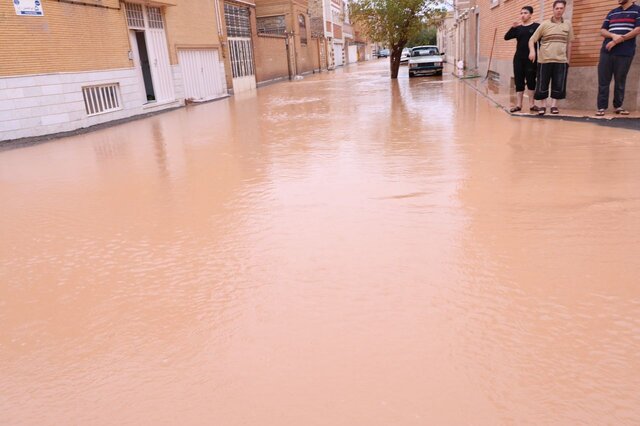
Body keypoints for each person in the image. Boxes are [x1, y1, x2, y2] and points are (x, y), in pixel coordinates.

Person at [528, 0, 573, 115]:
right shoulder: (544, 24)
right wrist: (532, 51)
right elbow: (532, 39)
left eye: (561, 8)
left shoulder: (567, 24)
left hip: (561, 60)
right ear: (553, 9)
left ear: (564, 9)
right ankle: (543, 106)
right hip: (545, 60)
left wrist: (568, 60)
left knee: (558, 84)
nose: (559, 10)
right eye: (557, 8)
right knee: (542, 84)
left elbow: (569, 43)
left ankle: (554, 106)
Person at [596, 0, 640, 116]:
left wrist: (619, 39)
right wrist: (613, 35)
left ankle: (618, 106)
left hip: (625, 52)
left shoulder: (638, 10)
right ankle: (601, 107)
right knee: (603, 80)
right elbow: (602, 30)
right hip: (607, 51)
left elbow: (637, 29)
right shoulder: (612, 12)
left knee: (620, 80)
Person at [504, 6, 540, 113]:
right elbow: (506, 37)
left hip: (531, 59)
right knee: (519, 81)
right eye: (521, 13)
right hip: (518, 59)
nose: (522, 15)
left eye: (525, 13)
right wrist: (512, 27)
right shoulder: (518, 28)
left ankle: (532, 104)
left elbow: (541, 42)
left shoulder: (536, 27)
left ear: (531, 14)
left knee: (531, 81)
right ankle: (519, 105)